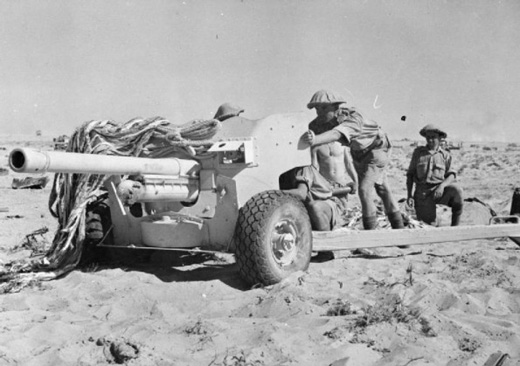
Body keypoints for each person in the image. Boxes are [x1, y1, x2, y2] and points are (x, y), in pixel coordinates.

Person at [302, 89, 405, 230]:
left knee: (364, 190)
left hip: (377, 150)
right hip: (358, 153)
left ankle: (372, 234)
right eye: (316, 108)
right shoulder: (321, 122)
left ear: (336, 106)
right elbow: (306, 133)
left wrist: (314, 139)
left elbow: (335, 134)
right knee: (383, 189)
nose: (319, 112)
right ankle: (400, 229)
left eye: (324, 107)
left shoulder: (353, 117)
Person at [406, 124, 463, 226]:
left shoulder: (445, 155)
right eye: (428, 137)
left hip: (439, 192)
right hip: (422, 194)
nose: (430, 140)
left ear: (440, 138)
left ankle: (455, 227)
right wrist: (409, 195)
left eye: (433, 137)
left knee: (457, 191)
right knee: (429, 226)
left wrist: (442, 186)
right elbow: (410, 175)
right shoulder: (418, 153)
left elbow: (452, 175)